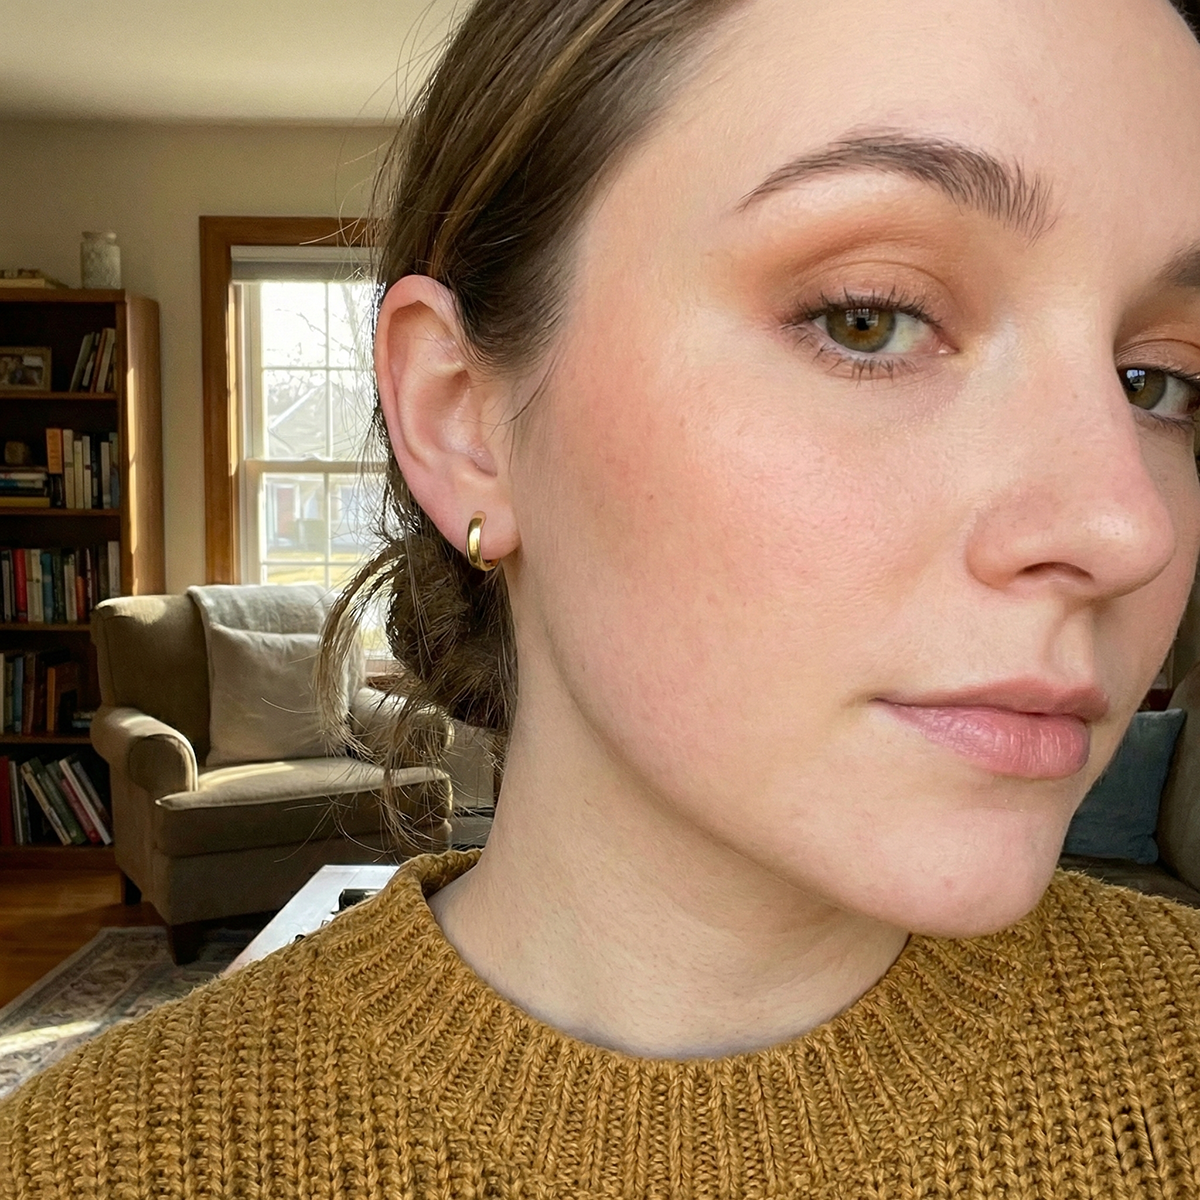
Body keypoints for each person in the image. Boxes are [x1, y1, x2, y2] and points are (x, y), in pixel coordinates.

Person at [5, 0, 1200, 1194]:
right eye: (869, 318)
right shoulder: (90, 1165)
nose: (1124, 527)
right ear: (464, 418)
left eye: (1159, 382)